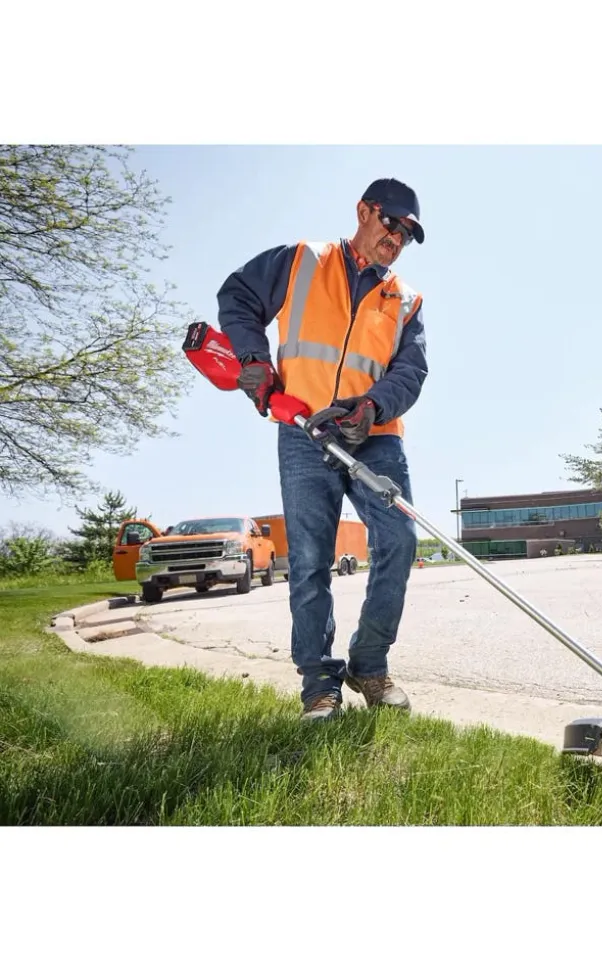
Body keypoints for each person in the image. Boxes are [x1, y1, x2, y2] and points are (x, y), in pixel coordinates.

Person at [216, 178, 428, 722]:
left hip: (374, 437)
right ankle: (318, 683)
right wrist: (253, 358)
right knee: (309, 560)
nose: (397, 238)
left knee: (400, 540)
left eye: (407, 233)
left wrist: (372, 407)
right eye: (392, 224)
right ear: (364, 210)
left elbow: (411, 370)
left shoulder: (404, 299)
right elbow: (237, 296)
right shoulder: (301, 261)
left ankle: (369, 663)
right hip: (304, 432)